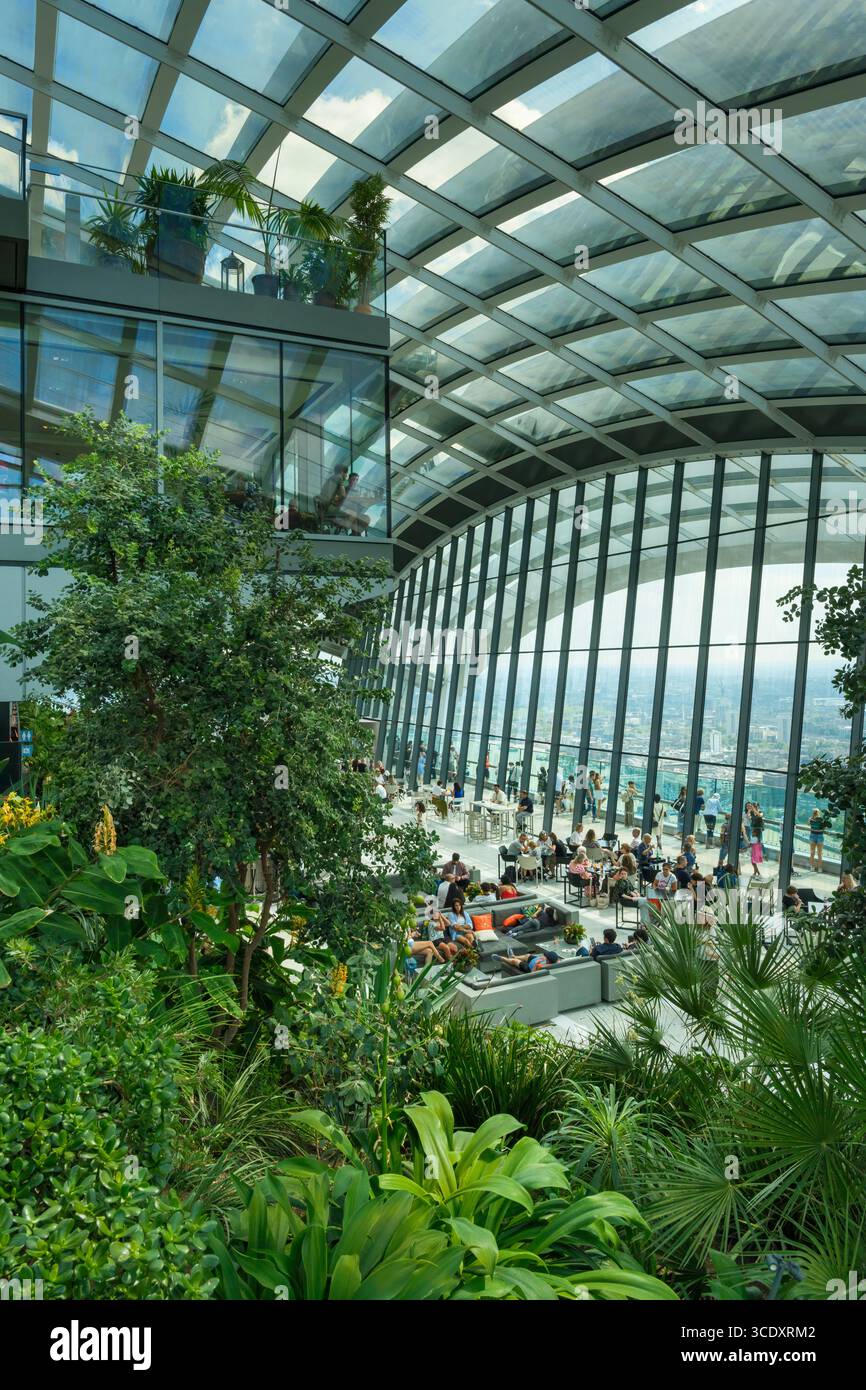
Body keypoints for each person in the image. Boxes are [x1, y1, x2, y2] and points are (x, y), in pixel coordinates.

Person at [808, 807, 832, 872]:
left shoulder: (810, 819)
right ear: (818, 813)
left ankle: (812, 867)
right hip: (820, 836)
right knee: (819, 853)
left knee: (812, 853)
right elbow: (824, 828)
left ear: (813, 813)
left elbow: (809, 825)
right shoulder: (822, 820)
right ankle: (820, 868)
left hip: (812, 835)